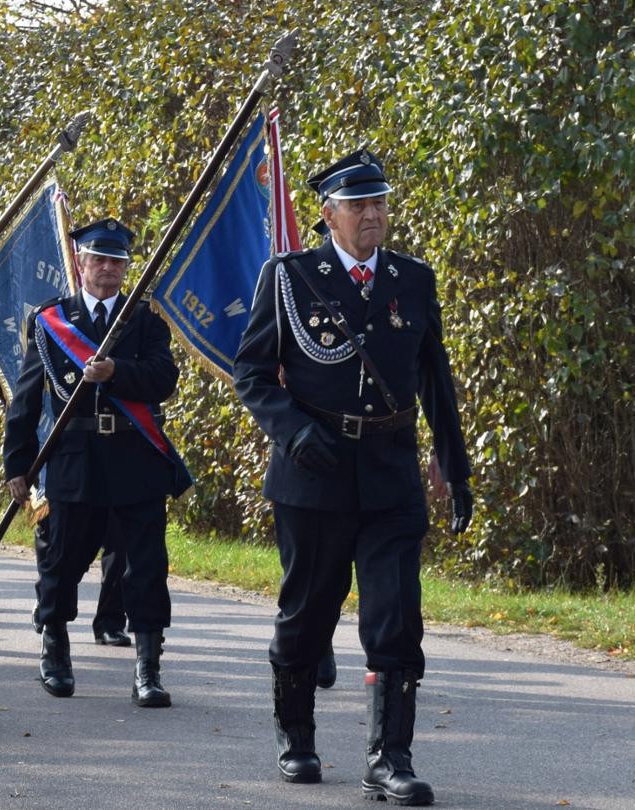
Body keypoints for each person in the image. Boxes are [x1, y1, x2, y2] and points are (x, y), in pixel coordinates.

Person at [231, 149, 473, 801]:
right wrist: (294, 431)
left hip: (391, 475)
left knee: (396, 618)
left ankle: (389, 756)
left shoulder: (412, 279)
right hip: (314, 475)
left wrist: (456, 466)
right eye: (359, 205)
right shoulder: (290, 277)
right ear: (328, 213)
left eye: (380, 203)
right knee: (307, 613)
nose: (373, 215)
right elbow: (251, 373)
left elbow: (436, 382)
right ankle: (296, 736)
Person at [4, 219, 189, 708]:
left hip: (135, 459)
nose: (108, 270)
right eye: (98, 260)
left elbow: (162, 378)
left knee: (145, 567)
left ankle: (148, 668)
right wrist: (17, 463)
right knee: (62, 561)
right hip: (74, 459)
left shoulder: (145, 321)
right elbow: (26, 399)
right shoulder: (51, 321)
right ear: (80, 264)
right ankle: (55, 648)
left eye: (117, 262)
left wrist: (117, 373)